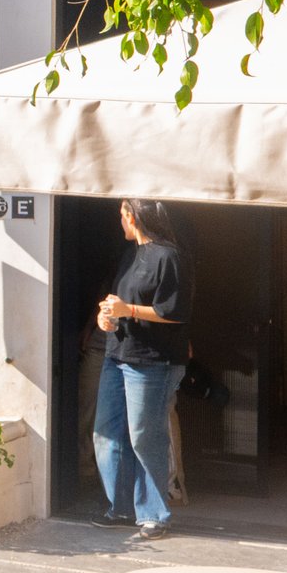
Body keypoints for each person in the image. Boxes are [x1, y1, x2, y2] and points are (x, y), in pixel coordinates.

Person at [94, 198, 191, 539]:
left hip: (153, 361)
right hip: (117, 354)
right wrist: (105, 317)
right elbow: (118, 303)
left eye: (122, 215)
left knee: (144, 436)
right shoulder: (129, 256)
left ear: (133, 217)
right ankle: (120, 508)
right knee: (107, 434)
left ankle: (155, 514)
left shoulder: (170, 256)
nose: (119, 221)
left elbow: (175, 311)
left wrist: (129, 310)